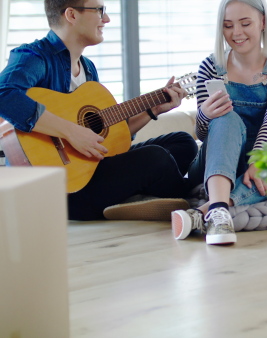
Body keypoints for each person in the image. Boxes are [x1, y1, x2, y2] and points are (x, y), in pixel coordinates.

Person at [0, 0, 198, 221]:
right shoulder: (34, 57)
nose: (106, 19)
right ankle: (194, 198)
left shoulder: (88, 69)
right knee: (157, 159)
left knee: (183, 143)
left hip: (92, 172)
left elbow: (111, 137)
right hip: (61, 191)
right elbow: (4, 94)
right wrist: (71, 132)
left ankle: (137, 199)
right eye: (99, 10)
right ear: (72, 15)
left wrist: (152, 111)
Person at [170, 0, 267, 245]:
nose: (236, 33)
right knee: (225, 117)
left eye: (245, 23)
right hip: (219, 159)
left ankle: (209, 211)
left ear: (262, 22)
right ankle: (218, 208)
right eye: (228, 26)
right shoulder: (211, 66)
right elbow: (203, 134)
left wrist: (259, 158)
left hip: (265, 153)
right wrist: (205, 115)